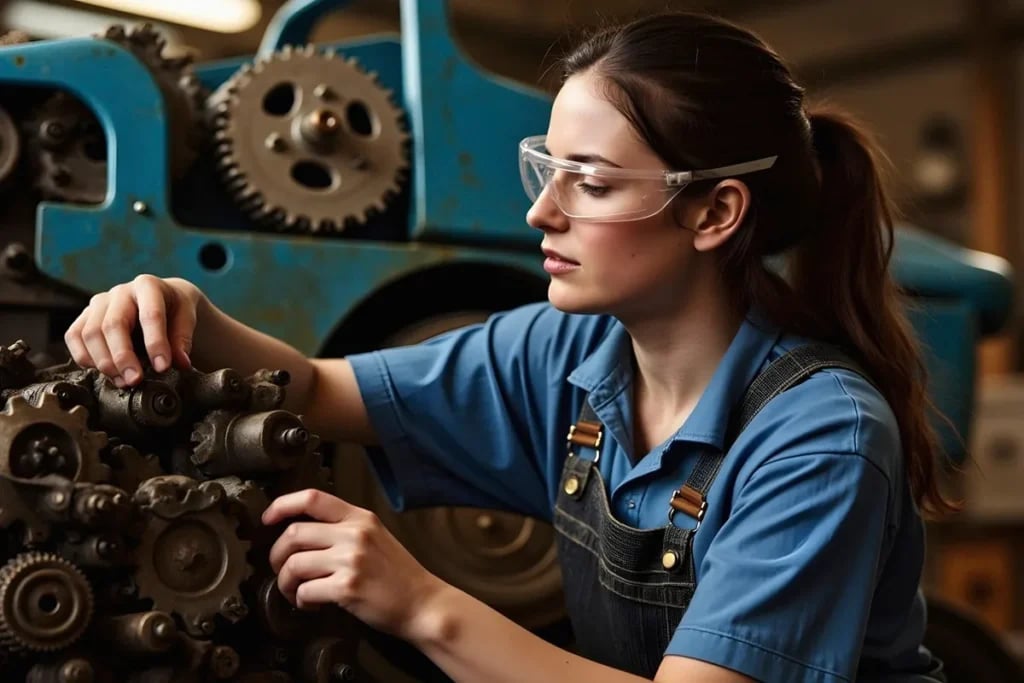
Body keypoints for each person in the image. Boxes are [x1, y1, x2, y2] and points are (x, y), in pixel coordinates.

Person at [64, 11, 953, 683]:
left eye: (593, 184)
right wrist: (179, 309)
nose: (542, 212)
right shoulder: (567, 351)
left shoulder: (819, 438)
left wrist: (423, 605)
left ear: (715, 213)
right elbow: (314, 389)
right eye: (549, 168)